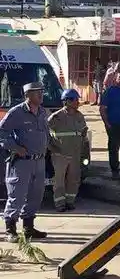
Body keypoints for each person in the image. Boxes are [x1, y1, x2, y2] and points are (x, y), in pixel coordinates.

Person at [0, 81, 51, 241]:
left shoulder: (43, 112)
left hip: (39, 161)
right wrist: (15, 147)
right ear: (28, 95)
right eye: (37, 92)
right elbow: (1, 132)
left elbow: (46, 133)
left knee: (36, 195)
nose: (41, 95)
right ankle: (10, 229)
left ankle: (28, 228)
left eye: (42, 92)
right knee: (17, 195)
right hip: (22, 162)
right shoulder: (17, 113)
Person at [48, 89, 88, 212]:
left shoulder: (79, 115)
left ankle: (70, 201)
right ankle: (60, 204)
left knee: (74, 179)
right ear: (67, 101)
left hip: (75, 154)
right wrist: (51, 147)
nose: (77, 102)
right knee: (59, 181)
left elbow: (83, 133)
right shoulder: (56, 117)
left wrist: (84, 150)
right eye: (75, 100)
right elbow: (44, 133)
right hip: (60, 155)